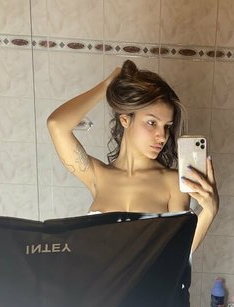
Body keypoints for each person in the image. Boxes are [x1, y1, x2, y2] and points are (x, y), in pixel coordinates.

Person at [47, 59, 219, 253]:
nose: (162, 136)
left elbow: (178, 255)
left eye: (167, 126)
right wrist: (106, 86)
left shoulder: (172, 183)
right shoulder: (98, 176)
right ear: (125, 119)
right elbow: (57, 125)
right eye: (152, 123)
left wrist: (209, 211)